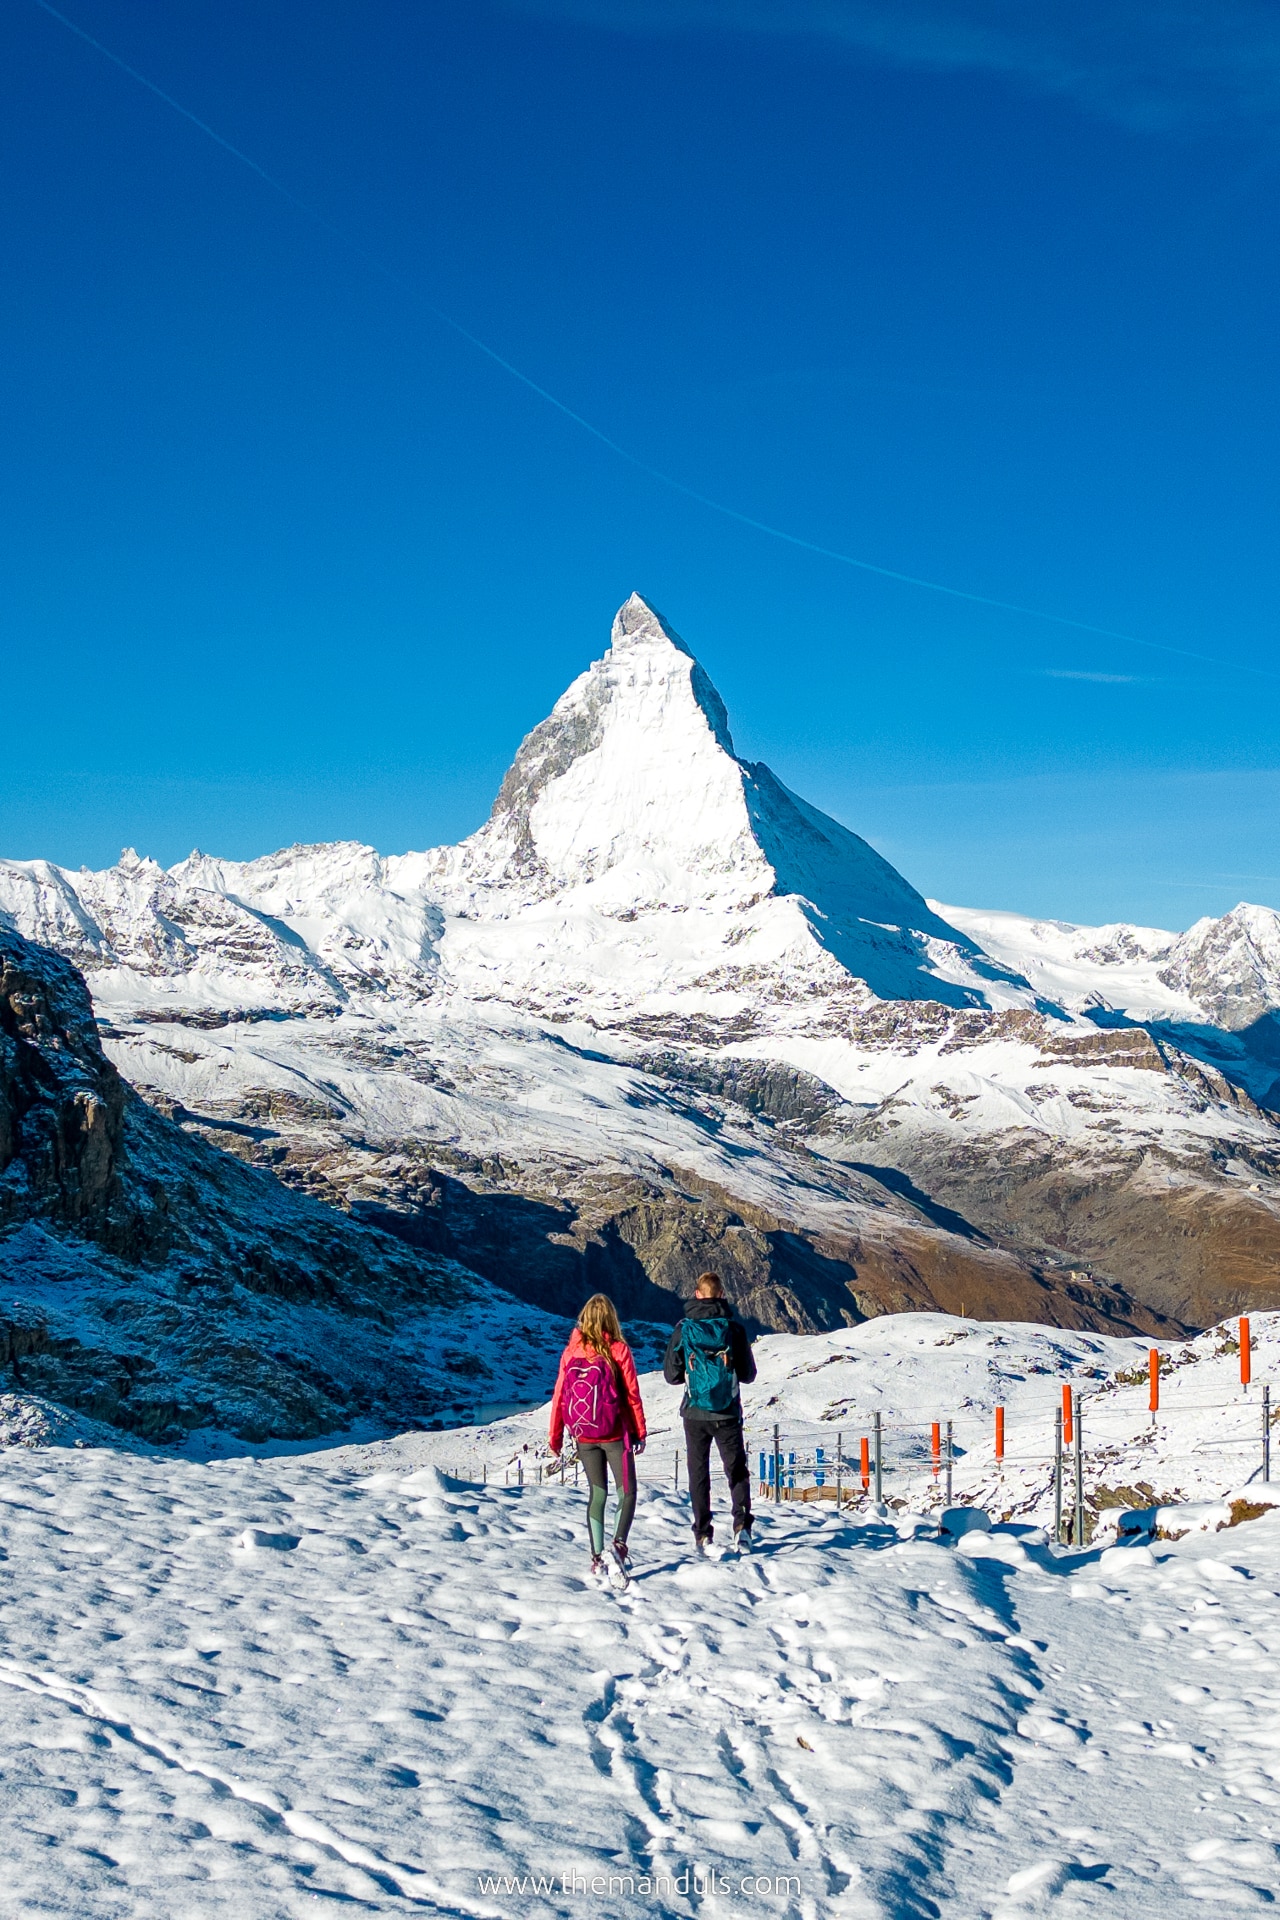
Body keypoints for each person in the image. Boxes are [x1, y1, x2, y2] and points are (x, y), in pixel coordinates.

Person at [549, 1293, 647, 1588]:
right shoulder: (618, 1350)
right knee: (627, 1492)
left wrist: (555, 1436)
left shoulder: (570, 1354)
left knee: (598, 1495)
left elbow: (558, 1399)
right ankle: (617, 1546)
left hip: (584, 1435)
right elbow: (631, 1395)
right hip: (615, 1434)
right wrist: (639, 1431)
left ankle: (596, 1559)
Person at [664, 1271, 757, 1555]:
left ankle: (703, 1533)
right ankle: (742, 1528)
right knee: (736, 1470)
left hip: (694, 1412)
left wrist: (695, 1377)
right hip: (727, 1412)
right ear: (721, 1295)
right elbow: (749, 1374)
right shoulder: (733, 1329)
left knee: (698, 1472)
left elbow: (671, 1375)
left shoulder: (684, 1329)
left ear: (697, 1294)